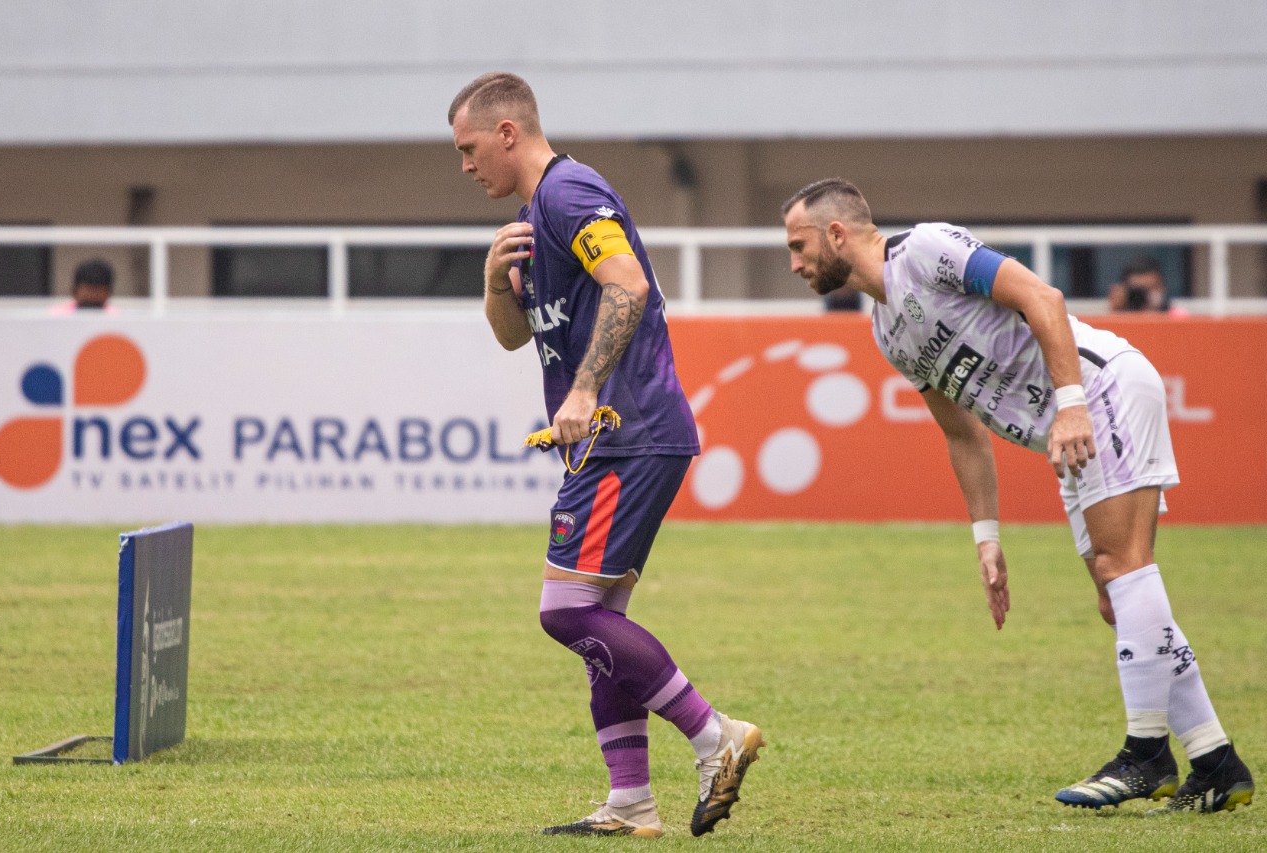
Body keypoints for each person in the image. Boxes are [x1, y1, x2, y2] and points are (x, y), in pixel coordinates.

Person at [781, 178, 1253, 814]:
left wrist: (1071, 404)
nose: (795, 261)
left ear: (837, 233)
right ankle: (1216, 761)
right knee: (1121, 601)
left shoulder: (925, 249)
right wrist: (987, 538)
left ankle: (1146, 754)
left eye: (799, 244)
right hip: (1075, 421)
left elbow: (1042, 297)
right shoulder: (887, 331)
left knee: (1124, 569)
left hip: (1100, 389)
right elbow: (964, 435)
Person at [448, 72, 763, 838]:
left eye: (469, 148)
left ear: (509, 133)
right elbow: (514, 334)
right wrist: (494, 282)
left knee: (566, 611)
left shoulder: (569, 193)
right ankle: (630, 800)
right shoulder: (532, 221)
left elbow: (628, 284)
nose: (464, 166)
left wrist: (585, 390)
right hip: (622, 435)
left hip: (628, 429)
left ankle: (714, 732)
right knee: (600, 626)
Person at [1108, 256, 1186, 316]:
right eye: (1138, 290)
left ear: (1162, 287)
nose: (1144, 295)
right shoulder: (1119, 318)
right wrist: (1116, 311)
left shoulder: (1178, 318)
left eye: (1150, 289)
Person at [50, 258, 116, 314]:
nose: (92, 295)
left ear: (108, 293)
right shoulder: (57, 316)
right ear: (75, 290)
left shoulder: (116, 319)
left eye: (98, 290)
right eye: (89, 290)